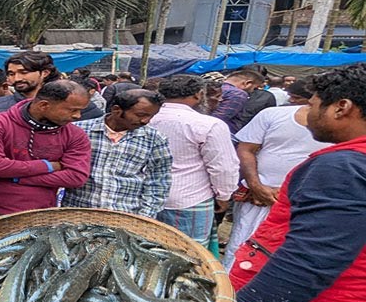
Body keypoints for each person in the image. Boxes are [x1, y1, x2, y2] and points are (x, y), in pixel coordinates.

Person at [224, 63, 366, 302]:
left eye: (313, 104)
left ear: (342, 107)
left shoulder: (342, 167)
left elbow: (313, 256)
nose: (306, 116)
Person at [223, 83, 332, 269]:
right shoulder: (272, 114)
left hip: (304, 204)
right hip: (259, 197)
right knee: (241, 244)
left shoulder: (345, 132)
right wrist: (256, 186)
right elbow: (246, 149)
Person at [0, 79, 92, 217]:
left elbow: (76, 177)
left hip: (42, 214)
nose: (77, 116)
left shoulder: (75, 134)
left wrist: (17, 178)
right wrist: (48, 166)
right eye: (73, 110)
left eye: (80, 111)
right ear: (44, 105)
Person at [147, 74, 237, 247]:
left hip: (145, 197)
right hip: (189, 199)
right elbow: (223, 167)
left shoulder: (143, 118)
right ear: (199, 94)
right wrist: (224, 195)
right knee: (188, 253)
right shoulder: (208, 124)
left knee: (146, 248)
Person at [61, 89, 173, 217]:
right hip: (77, 211)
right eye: (140, 115)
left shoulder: (154, 139)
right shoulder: (80, 131)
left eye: (151, 116)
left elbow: (158, 182)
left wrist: (145, 217)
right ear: (116, 110)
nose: (145, 121)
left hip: (125, 215)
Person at [0, 51, 61, 120]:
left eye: (24, 72)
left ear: (45, 73)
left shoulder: (62, 104)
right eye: (11, 74)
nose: (17, 78)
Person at [211, 69, 265, 133]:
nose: (253, 91)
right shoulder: (238, 94)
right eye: (255, 88)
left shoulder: (211, 87)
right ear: (247, 83)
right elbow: (219, 118)